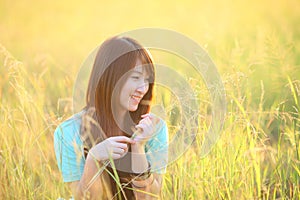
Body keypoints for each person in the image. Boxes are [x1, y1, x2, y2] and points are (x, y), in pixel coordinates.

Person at [54, 36, 168, 199]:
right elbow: (84, 198)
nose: (143, 88)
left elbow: (148, 198)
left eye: (147, 79)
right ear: (110, 77)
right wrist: (93, 159)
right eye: (135, 78)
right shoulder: (68, 133)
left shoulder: (154, 128)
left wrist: (138, 148)